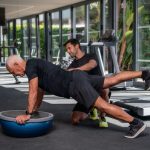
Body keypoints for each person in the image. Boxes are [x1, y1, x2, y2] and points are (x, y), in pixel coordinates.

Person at [6, 55, 147, 139]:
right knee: (110, 80)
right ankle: (145, 74)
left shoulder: (30, 67)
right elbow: (39, 93)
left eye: (13, 71)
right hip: (77, 76)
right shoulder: (35, 64)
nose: (15, 74)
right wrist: (34, 109)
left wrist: (28, 114)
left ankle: (136, 123)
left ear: (17, 64)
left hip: (74, 85)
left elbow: (32, 91)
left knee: (102, 106)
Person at [64, 38, 110, 127]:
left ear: (77, 46)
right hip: (86, 94)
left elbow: (91, 65)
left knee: (105, 90)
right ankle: (92, 108)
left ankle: (102, 117)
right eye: (67, 49)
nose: (68, 51)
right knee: (75, 120)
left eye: (69, 48)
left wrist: (75, 70)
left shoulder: (91, 56)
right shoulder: (73, 64)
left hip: (98, 90)